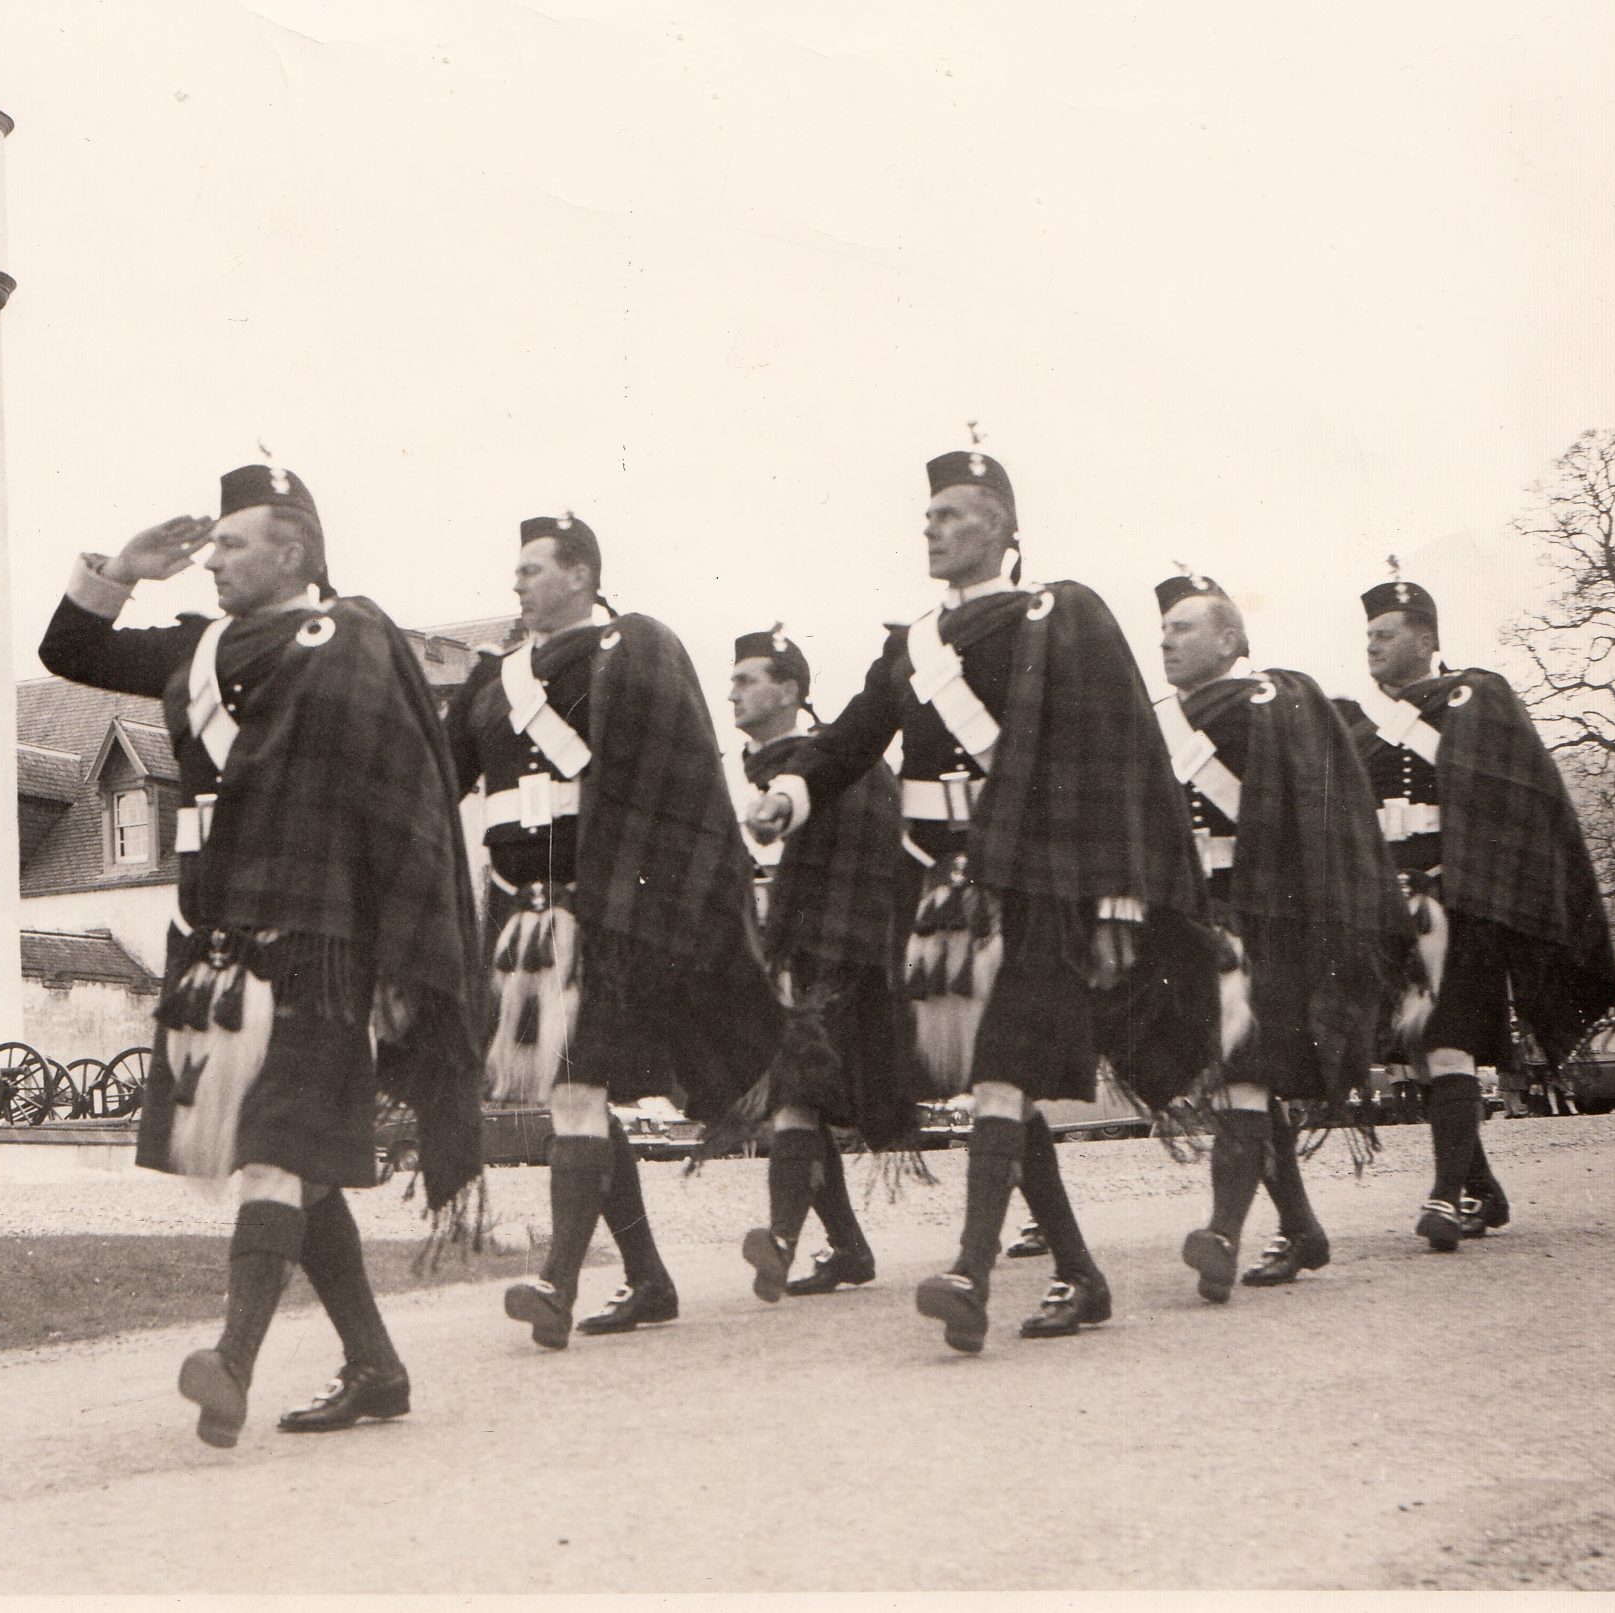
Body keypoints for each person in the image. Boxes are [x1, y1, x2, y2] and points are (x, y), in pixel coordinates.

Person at [39, 465, 485, 1446]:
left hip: (319, 939)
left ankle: (230, 1361)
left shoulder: (351, 640)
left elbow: (398, 796)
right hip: (218, 937)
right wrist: (124, 568)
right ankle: (374, 1364)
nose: (212, 559)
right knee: (297, 1163)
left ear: (293, 551)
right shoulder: (196, 647)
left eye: (231, 544)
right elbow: (67, 646)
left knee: (275, 1151)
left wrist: (397, 956)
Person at [749, 450, 1217, 1353]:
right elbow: (848, 741)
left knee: (999, 1071)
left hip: (1037, 886)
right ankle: (1079, 1273)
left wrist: (1117, 897)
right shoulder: (911, 646)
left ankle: (969, 1270)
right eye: (927, 514)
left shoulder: (1061, 615)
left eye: (953, 514)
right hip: (942, 891)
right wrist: (790, 794)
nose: (932, 527)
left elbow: (1116, 758)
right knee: (997, 1088)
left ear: (1003, 527)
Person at [448, 514, 789, 1347]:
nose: (518, 583)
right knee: (578, 1094)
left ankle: (557, 1283)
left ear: (582, 573)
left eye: (533, 569)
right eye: (517, 569)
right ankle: (647, 1278)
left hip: (600, 910)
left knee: (576, 1089)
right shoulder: (494, 682)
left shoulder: (633, 650)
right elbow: (435, 773)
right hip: (519, 915)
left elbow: (675, 787)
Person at [1151, 573, 1408, 1299]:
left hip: (1267, 921)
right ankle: (1300, 1227)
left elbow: (1326, 819)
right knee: (1246, 1081)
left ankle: (1222, 1232)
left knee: (1244, 1070)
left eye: (1185, 627)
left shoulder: (1278, 703)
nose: (1167, 638)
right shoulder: (1153, 721)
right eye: (1163, 628)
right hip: (1192, 922)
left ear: (1230, 638)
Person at [1348, 570, 1615, 1249]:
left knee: (1447, 1044)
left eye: (1386, 634)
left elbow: (1522, 799)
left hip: (1461, 900)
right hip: (1391, 906)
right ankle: (1483, 1187)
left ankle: (1444, 1197)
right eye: (1368, 635)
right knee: (1417, 1052)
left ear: (1426, 638)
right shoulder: (1355, 716)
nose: (1372, 646)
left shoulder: (1479, 697)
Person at [730, 625, 917, 1298]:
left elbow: (870, 863)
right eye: (734, 679)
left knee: (798, 1095)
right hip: (801, 958)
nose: (734, 691)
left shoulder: (832, 765)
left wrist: (820, 958)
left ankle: (781, 1240)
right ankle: (847, 1248)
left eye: (749, 679)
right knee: (798, 1095)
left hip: (839, 958)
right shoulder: (777, 770)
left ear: (791, 690)